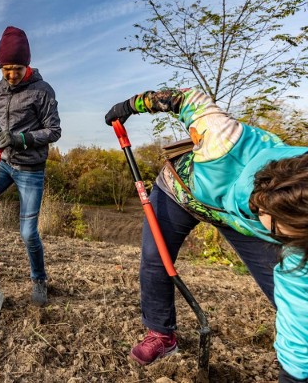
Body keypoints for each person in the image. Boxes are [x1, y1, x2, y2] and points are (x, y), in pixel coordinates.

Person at [104, 88, 308, 381]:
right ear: (266, 196)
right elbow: (187, 98)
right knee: (154, 259)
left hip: (234, 219)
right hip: (179, 192)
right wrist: (129, 105)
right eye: (276, 230)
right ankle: (161, 334)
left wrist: (295, 374)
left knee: (280, 285)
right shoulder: (220, 137)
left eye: (286, 239)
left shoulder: (299, 238)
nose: (277, 238)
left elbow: (302, 309)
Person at [0, 26, 61, 307]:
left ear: (26, 65)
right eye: (6, 68)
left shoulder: (42, 91)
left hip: (30, 169)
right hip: (2, 164)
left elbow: (54, 131)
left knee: (28, 232)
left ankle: (39, 279)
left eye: (16, 68)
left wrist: (21, 138)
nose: (11, 74)